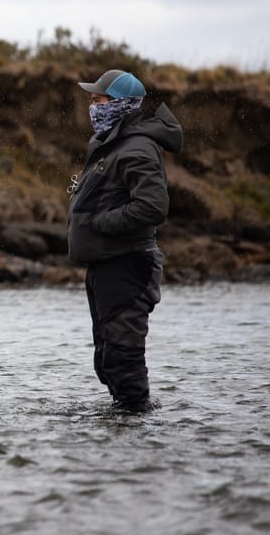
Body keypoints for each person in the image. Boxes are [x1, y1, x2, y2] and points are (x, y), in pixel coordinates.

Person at [67, 69, 183, 413]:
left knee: (122, 353)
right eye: (91, 100)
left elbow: (152, 206)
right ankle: (125, 420)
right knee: (107, 356)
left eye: (98, 100)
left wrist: (99, 223)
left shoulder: (137, 148)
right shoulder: (111, 144)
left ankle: (136, 430)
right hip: (106, 265)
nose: (92, 107)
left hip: (127, 265)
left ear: (121, 105)